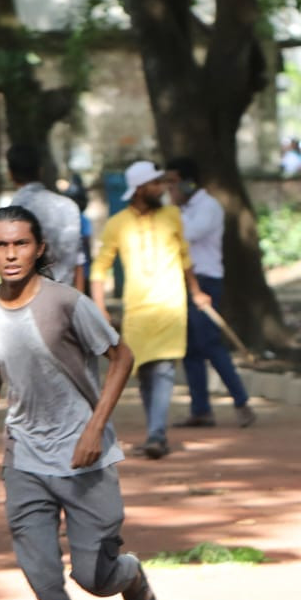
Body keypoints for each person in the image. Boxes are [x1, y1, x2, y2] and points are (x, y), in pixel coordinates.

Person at [0, 205, 162, 600]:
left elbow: (122, 357)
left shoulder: (67, 303)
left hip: (83, 458)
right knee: (42, 576)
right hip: (24, 459)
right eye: (0, 245)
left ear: (39, 248)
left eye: (20, 244)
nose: (10, 254)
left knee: (93, 577)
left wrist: (96, 427)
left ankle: (130, 574)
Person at [89, 160, 212, 459]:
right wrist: (98, 306)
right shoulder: (118, 223)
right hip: (137, 310)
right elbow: (100, 267)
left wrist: (196, 292)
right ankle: (154, 430)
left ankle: (157, 434)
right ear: (141, 188)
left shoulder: (172, 216)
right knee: (142, 371)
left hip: (171, 305)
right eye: (156, 183)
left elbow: (185, 258)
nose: (162, 188)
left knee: (165, 369)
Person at [163, 157, 255, 430]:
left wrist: (172, 212)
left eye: (173, 182)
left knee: (210, 343)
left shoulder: (208, 207)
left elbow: (185, 234)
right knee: (190, 348)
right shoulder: (176, 208)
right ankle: (200, 409)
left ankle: (241, 401)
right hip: (181, 279)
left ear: (188, 183)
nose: (169, 188)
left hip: (206, 280)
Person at [6, 144, 84, 289]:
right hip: (67, 299)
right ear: (40, 171)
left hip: (30, 301)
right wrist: (79, 302)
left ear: (9, 173)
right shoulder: (68, 206)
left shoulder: (12, 212)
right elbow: (78, 262)